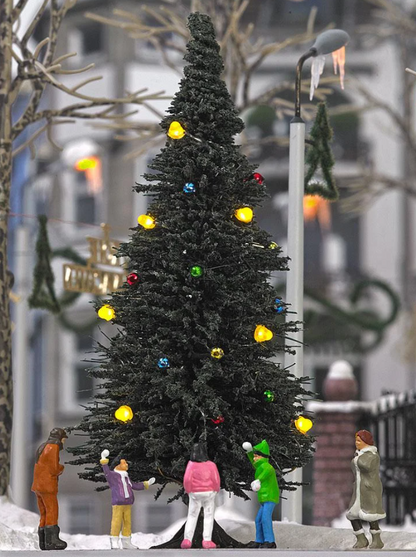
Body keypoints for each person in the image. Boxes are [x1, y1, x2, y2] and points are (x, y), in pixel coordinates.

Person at [100, 449, 155, 549]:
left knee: (127, 522)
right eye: (123, 463)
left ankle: (126, 541)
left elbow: (134, 485)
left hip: (128, 502)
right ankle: (114, 540)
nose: (126, 464)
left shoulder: (126, 477)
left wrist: (146, 484)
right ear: (117, 465)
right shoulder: (113, 476)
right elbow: (106, 472)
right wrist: (104, 459)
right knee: (116, 521)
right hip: (118, 502)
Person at [346, 429, 386, 549]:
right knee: (352, 515)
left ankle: (377, 540)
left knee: (370, 515)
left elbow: (366, 466)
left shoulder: (372, 455)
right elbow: (354, 468)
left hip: (369, 490)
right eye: (356, 440)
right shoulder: (359, 454)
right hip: (359, 490)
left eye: (359, 440)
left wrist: (357, 459)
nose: (356, 443)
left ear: (366, 441)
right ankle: (361, 539)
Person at [31, 427, 68, 551]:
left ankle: (43, 541)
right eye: (63, 439)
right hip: (47, 486)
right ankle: (52, 541)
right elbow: (54, 468)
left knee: (44, 513)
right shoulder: (53, 447)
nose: (63, 442)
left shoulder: (43, 446)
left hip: (38, 485)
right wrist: (61, 468)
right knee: (52, 511)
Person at [181, 441, 221, 549]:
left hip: (195, 493)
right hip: (209, 493)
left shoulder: (191, 465)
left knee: (192, 515)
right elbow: (216, 480)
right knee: (208, 516)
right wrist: (216, 490)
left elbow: (187, 480)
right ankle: (207, 540)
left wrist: (189, 491)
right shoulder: (211, 465)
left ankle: (187, 539)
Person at [242, 439, 279, 549]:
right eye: (254, 456)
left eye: (256, 456)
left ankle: (270, 541)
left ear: (263, 456)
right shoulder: (260, 466)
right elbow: (253, 463)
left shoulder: (267, 467)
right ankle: (260, 540)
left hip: (269, 497)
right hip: (264, 498)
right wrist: (249, 451)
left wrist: (258, 480)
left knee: (265, 518)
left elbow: (264, 475)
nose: (254, 458)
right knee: (259, 519)